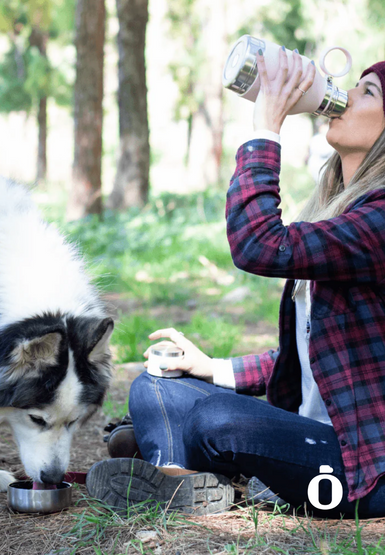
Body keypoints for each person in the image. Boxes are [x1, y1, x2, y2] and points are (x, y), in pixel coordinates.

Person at [86, 50, 385, 519]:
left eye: (368, 91)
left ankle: (182, 460)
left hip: (360, 465)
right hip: (313, 435)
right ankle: (184, 481)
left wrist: (266, 127)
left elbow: (260, 245)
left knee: (216, 419)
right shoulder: (342, 213)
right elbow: (311, 361)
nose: (346, 95)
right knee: (154, 386)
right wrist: (211, 368)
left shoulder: (382, 221)